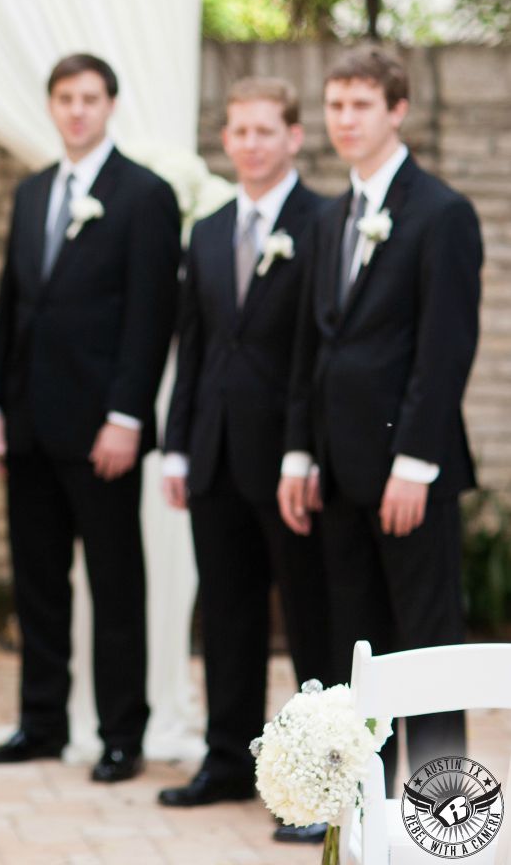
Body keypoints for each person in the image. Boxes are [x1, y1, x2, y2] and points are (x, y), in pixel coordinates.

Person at [279, 46, 480, 789]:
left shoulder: (442, 214)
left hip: (407, 475)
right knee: (352, 645)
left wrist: (414, 465)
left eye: (362, 105)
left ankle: (435, 809)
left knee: (425, 651)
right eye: (335, 105)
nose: (346, 119)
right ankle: (358, 806)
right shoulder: (331, 219)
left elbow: (446, 348)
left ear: (397, 110)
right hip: (337, 469)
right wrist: (297, 456)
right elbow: (311, 349)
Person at [0, 54, 180, 783]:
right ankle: (41, 723)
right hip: (28, 424)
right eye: (65, 98)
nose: (76, 111)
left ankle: (122, 733)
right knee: (37, 583)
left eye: (89, 98)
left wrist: (127, 416)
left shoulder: (145, 196)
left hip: (101, 431)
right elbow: (12, 307)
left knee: (114, 583)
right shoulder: (33, 193)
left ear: (111, 105)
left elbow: (150, 317)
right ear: (52, 107)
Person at [158, 77, 333, 842]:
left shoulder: (324, 222)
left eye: (266, 130)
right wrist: (175, 444)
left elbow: (319, 351)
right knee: (224, 618)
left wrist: (310, 451)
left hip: (290, 460)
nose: (251, 143)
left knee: (307, 623)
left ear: (294, 137)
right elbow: (192, 348)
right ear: (225, 140)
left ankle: (315, 783)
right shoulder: (209, 229)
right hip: (214, 454)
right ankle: (226, 759)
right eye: (239, 131)